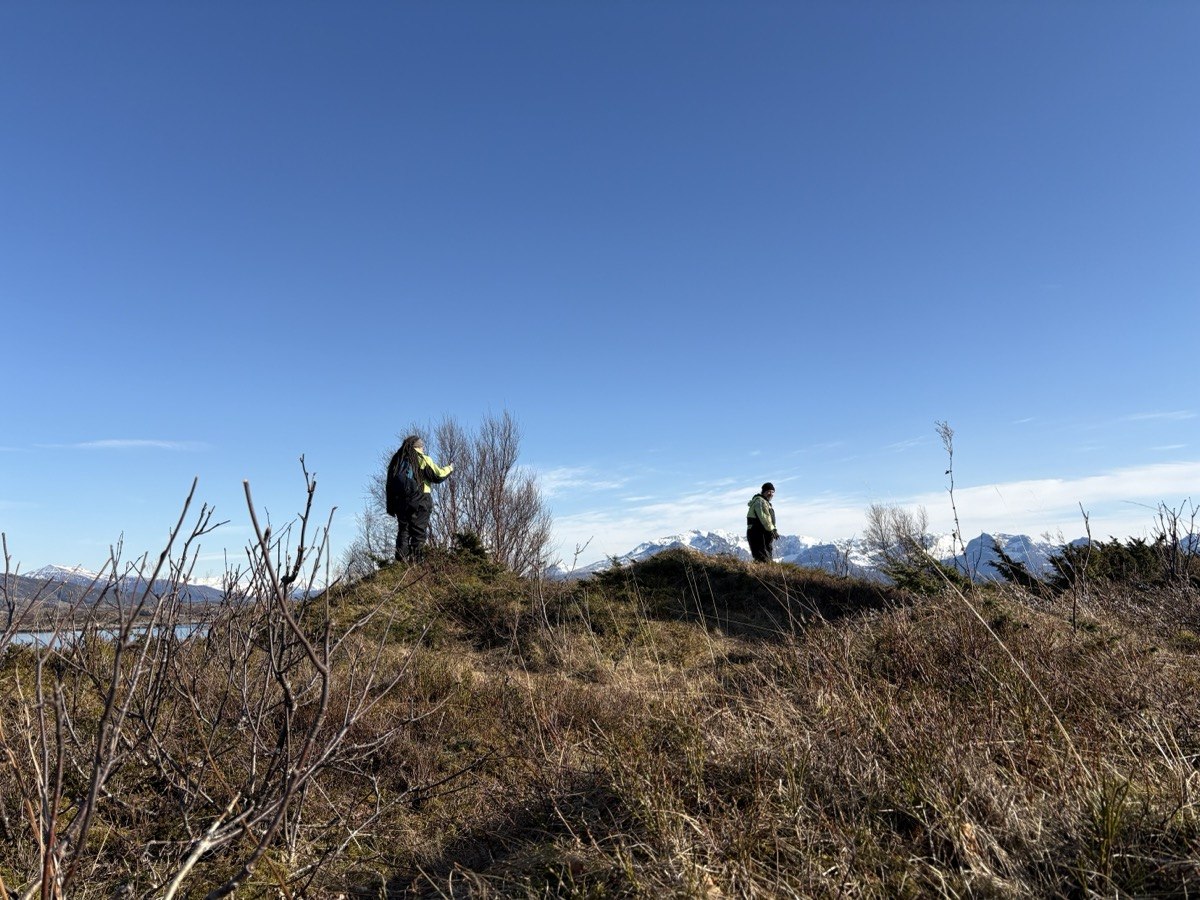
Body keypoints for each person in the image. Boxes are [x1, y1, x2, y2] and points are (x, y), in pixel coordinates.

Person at [385, 435, 453, 563]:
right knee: (419, 534)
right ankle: (418, 565)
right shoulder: (422, 459)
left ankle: (400, 564)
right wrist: (450, 468)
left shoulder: (397, 461)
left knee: (403, 532)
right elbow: (438, 475)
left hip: (400, 503)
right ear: (419, 447)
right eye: (422, 446)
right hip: (420, 501)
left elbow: (389, 484)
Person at [746, 482, 779, 563]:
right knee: (763, 558)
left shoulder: (765, 502)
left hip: (761, 532)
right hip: (758, 532)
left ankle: (765, 574)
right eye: (769, 491)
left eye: (772, 492)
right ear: (763, 491)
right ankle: (762, 574)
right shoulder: (760, 502)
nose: (771, 494)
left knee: (764, 557)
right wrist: (772, 530)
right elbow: (764, 518)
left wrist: (773, 529)